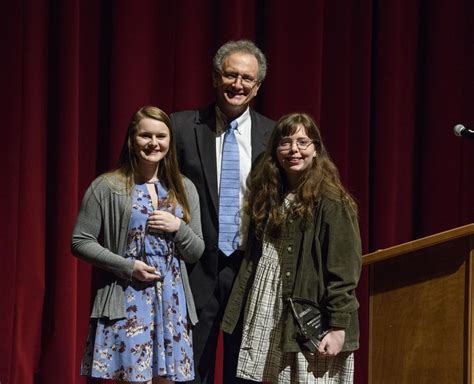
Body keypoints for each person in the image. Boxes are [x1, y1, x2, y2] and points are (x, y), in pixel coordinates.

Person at [221, 112, 362, 383]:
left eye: (302, 142)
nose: (294, 149)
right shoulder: (269, 195)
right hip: (269, 308)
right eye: (285, 142)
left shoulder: (332, 201)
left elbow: (344, 271)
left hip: (311, 316)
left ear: (316, 150)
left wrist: (338, 327)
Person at [71, 106, 205, 383]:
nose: (154, 143)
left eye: (161, 136)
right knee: (130, 378)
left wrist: (178, 227)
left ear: (170, 140)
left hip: (171, 301)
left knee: (166, 379)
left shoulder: (184, 187)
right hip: (127, 297)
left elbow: (196, 252)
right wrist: (128, 266)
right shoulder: (107, 186)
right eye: (146, 135)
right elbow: (80, 241)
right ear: (132, 139)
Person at [171, 40, 275, 383]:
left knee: (243, 375)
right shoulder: (181, 127)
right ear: (216, 78)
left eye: (247, 78)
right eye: (231, 75)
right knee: (190, 373)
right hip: (193, 270)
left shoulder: (274, 135)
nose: (238, 85)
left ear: (257, 86)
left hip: (249, 270)